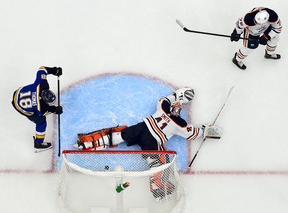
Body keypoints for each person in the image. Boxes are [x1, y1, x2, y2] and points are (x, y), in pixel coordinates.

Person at [74, 87, 221, 200]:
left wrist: (176, 95)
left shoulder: (163, 109)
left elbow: (163, 100)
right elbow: (192, 133)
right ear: (179, 111)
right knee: (157, 162)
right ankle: (158, 191)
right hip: (152, 140)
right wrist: (205, 130)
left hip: (141, 128)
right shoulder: (180, 124)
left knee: (118, 136)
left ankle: (87, 143)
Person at [12, 66, 63, 152]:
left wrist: (54, 70)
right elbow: (46, 111)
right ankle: (38, 143)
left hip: (17, 93)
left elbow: (42, 69)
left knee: (32, 89)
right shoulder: (41, 108)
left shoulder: (41, 84)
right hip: (19, 107)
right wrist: (55, 109)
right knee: (41, 121)